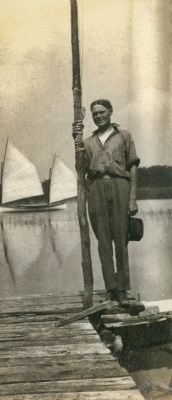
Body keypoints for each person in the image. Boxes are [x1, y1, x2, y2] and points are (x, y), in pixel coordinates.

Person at [73, 99, 140, 307]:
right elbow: (81, 167)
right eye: (94, 114)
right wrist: (76, 140)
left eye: (102, 112)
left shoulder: (124, 136)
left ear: (110, 112)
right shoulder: (89, 141)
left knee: (121, 241)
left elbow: (133, 167)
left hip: (120, 186)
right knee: (103, 242)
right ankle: (110, 290)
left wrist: (132, 198)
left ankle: (122, 290)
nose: (98, 116)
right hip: (96, 189)